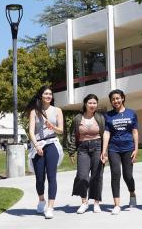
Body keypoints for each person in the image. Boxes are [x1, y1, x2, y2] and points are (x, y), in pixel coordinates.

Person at [25, 85, 64, 219]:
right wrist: (36, 146)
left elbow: (61, 130)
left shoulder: (57, 110)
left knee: (52, 177)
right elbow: (31, 131)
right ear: (41, 95)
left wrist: (52, 126)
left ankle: (50, 208)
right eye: (46, 94)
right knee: (39, 177)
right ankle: (41, 200)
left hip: (52, 143)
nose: (48, 96)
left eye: (50, 94)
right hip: (38, 145)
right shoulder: (34, 112)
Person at [101, 89, 139, 215]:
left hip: (128, 148)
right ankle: (117, 204)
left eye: (118, 98)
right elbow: (106, 133)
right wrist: (104, 150)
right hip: (114, 148)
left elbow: (135, 131)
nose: (115, 101)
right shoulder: (108, 115)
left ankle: (132, 193)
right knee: (115, 174)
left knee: (128, 176)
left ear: (122, 98)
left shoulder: (131, 113)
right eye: (113, 99)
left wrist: (136, 148)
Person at [68, 94, 105, 214]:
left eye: (94, 103)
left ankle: (96, 203)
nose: (92, 105)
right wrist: (71, 151)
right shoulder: (78, 118)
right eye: (90, 103)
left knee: (97, 175)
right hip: (83, 148)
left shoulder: (100, 117)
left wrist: (105, 152)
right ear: (85, 104)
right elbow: (72, 135)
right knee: (82, 175)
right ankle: (84, 202)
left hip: (98, 146)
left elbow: (105, 134)